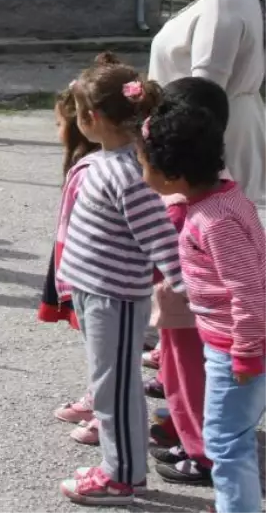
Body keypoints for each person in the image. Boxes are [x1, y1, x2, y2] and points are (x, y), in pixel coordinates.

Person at [55, 60, 186, 504]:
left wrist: (195, 293)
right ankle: (119, 466)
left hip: (116, 299)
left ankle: (122, 476)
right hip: (96, 294)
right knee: (109, 384)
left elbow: (163, 243)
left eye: (76, 111)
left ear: (91, 117)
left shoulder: (128, 174)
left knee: (116, 388)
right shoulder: (108, 163)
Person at [140, 80, 266, 512]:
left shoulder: (213, 222)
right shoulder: (224, 200)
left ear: (173, 176)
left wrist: (246, 352)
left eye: (145, 166)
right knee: (229, 436)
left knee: (226, 442)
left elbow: (247, 287)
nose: (141, 174)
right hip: (226, 344)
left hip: (235, 350)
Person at [141, 78, 232, 489]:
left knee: (189, 382)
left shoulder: (186, 211)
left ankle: (202, 455)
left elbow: (158, 262)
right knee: (181, 380)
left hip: (188, 315)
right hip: (187, 314)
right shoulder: (215, 190)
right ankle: (188, 438)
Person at [154, 0, 266, 203]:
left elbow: (203, 94)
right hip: (219, 135)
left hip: (208, 146)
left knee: (209, 242)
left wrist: (169, 156)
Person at [38, 81, 101, 445]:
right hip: (83, 271)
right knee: (95, 342)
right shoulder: (83, 162)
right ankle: (97, 397)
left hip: (99, 276)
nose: (56, 130)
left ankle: (106, 416)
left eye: (59, 123)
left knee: (108, 351)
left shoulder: (94, 168)